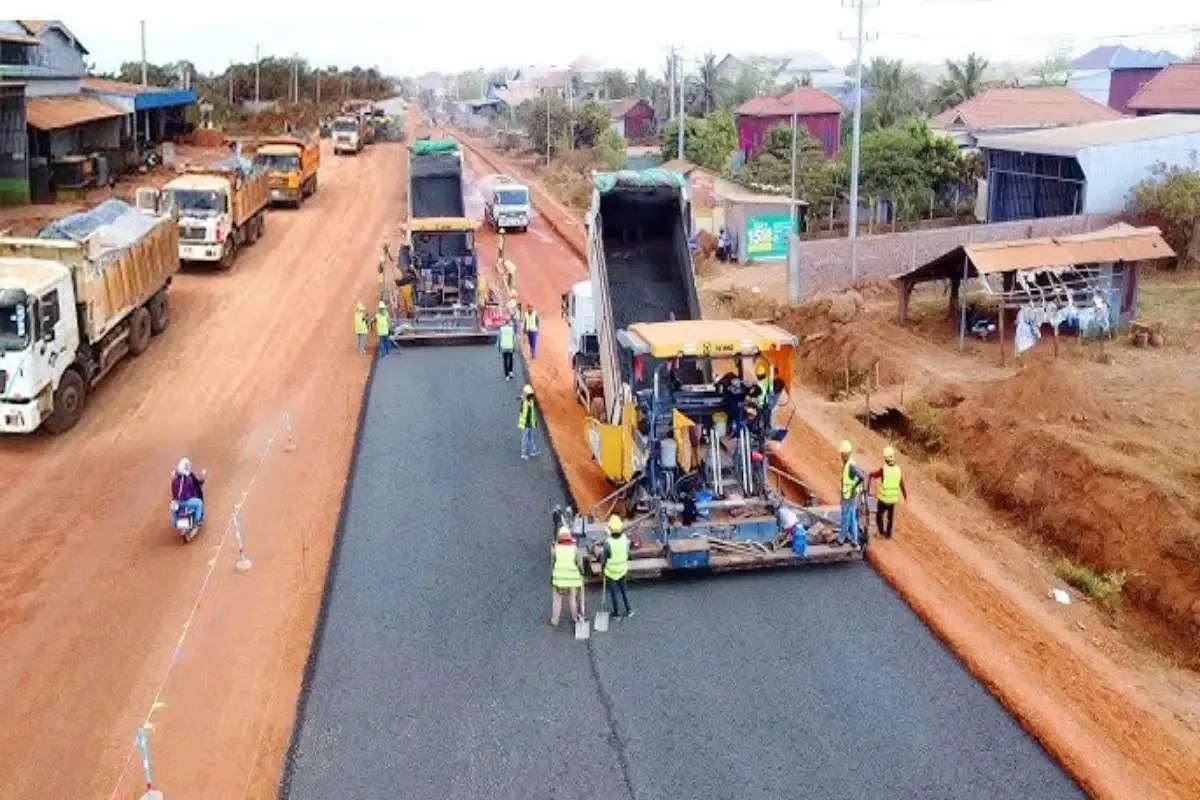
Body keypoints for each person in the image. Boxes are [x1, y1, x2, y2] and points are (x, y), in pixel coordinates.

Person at [866, 445, 908, 539]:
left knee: (879, 515)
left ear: (885, 458)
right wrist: (905, 496)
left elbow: (874, 475)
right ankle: (888, 535)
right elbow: (902, 484)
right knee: (890, 517)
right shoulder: (898, 469)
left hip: (884, 499)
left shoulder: (883, 470)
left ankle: (881, 532)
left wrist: (870, 475)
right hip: (893, 499)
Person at [602, 515, 634, 619]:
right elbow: (628, 554)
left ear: (610, 528)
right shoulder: (625, 539)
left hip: (611, 573)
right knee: (624, 591)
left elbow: (604, 558)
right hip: (622, 570)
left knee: (614, 593)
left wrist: (603, 568)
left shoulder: (608, 543)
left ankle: (617, 613)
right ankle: (629, 610)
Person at [550, 526, 583, 627]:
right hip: (572, 579)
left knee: (557, 599)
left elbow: (553, 563)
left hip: (559, 579)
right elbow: (579, 563)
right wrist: (581, 572)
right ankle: (575, 617)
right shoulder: (574, 549)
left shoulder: (555, 549)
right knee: (572, 599)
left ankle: (555, 619)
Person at [837, 440, 866, 547]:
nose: (841, 456)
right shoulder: (851, 463)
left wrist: (853, 486)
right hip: (851, 496)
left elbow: (862, 477)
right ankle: (854, 540)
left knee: (845, 518)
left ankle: (841, 539)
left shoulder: (850, 466)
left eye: (842, 454)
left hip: (848, 496)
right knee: (853, 518)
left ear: (845, 454)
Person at [170, 458, 205, 524]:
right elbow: (193, 491)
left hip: (176, 502)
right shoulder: (189, 479)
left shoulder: (174, 479)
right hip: (186, 501)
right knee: (199, 503)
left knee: (172, 507)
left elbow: (173, 491)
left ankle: (175, 522)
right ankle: (198, 520)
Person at [518, 384, 541, 459]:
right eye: (530, 395)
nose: (532, 396)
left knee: (532, 437)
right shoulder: (524, 403)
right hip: (525, 424)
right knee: (525, 438)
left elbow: (532, 413)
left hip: (531, 423)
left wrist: (534, 422)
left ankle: (532, 451)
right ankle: (523, 453)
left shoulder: (530, 401)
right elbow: (524, 413)